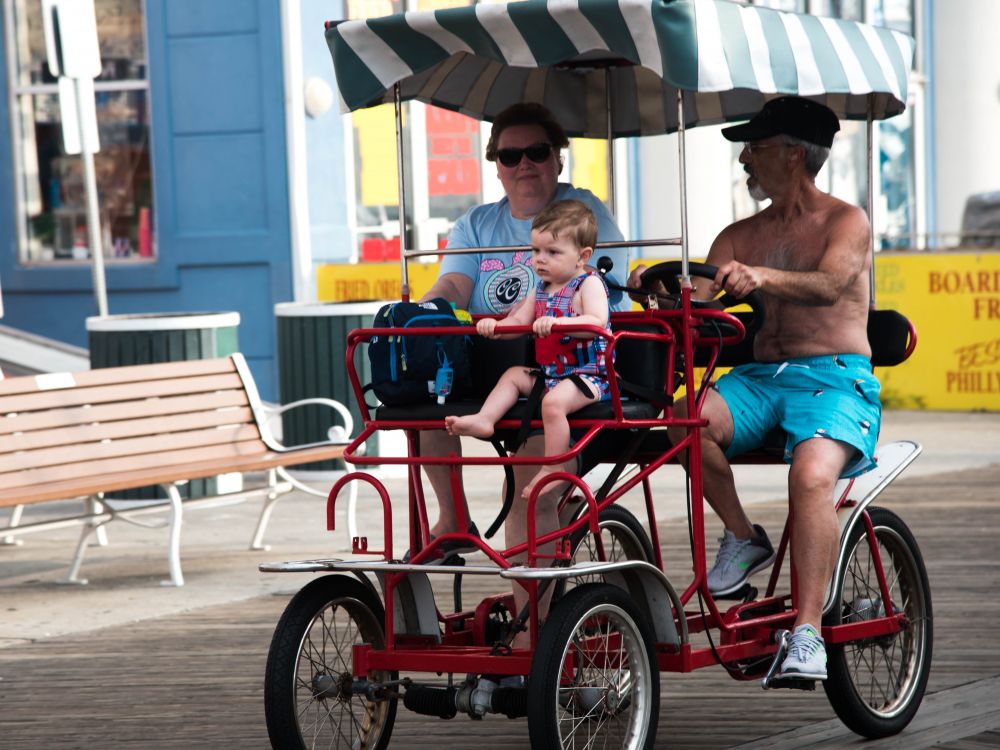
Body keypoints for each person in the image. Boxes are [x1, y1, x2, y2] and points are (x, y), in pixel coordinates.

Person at [628, 96, 881, 682]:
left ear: (793, 154)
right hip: (761, 379)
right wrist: (654, 292)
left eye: (756, 148)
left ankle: (808, 633)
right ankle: (744, 537)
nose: (745, 159)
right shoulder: (738, 234)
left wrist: (761, 276)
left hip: (835, 377)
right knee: (684, 419)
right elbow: (696, 305)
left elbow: (829, 285)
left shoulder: (847, 222)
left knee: (811, 476)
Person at [414, 102, 627, 556]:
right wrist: (427, 310)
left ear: (557, 158)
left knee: (529, 493)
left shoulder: (582, 212)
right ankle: (453, 518)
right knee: (423, 401)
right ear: (496, 166)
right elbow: (454, 285)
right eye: (510, 156)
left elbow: (606, 299)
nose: (524, 164)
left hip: (568, 371)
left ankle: (532, 604)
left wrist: (553, 322)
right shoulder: (476, 223)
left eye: (537, 152)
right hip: (496, 366)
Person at [445, 199, 612, 502]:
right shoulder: (541, 288)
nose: (540, 260)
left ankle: (554, 464)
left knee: (553, 404)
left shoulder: (588, 284)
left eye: (552, 252)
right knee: (513, 375)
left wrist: (559, 323)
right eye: (536, 251)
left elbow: (596, 321)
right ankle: (485, 419)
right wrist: (496, 328)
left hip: (590, 377)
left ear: (582, 256)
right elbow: (519, 322)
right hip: (552, 374)